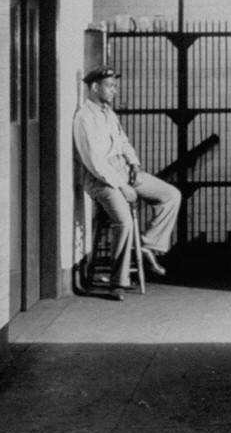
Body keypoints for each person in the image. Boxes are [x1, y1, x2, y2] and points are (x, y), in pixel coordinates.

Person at [73, 65, 181, 299]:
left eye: (115, 87)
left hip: (123, 171)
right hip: (102, 180)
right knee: (124, 222)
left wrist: (134, 164)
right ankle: (117, 283)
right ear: (94, 87)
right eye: (110, 86)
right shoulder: (84, 117)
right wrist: (121, 186)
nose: (114, 91)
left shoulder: (109, 114)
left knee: (171, 195)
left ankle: (148, 245)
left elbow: (123, 142)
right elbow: (94, 161)